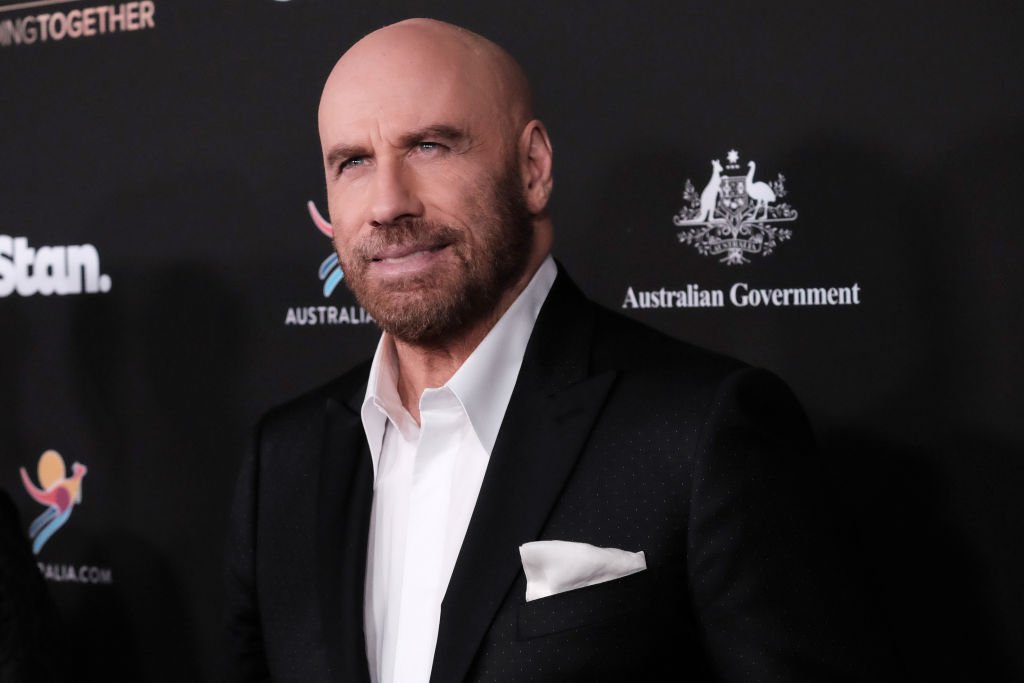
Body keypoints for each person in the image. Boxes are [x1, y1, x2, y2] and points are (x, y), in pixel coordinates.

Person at [224, 18, 898, 683]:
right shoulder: (284, 459)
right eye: (353, 162)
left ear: (533, 168)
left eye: (429, 146)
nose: (387, 203)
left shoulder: (702, 432)